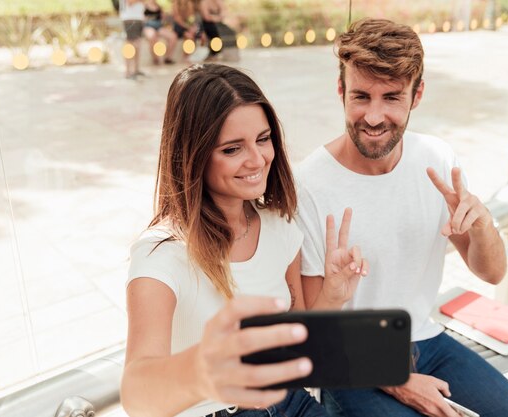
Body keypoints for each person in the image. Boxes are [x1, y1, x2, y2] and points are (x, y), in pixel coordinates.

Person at [295, 18, 508, 417]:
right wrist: (399, 382)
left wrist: (483, 225)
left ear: (417, 96)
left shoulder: (436, 161)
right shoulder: (308, 185)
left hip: (426, 340)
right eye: (361, 96)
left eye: (392, 98)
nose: (375, 117)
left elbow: (493, 274)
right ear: (341, 90)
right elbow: (313, 331)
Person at [121, 64, 366, 417]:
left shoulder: (279, 227)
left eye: (263, 139)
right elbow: (135, 394)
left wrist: (333, 295)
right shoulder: (161, 254)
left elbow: (299, 345)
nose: (257, 159)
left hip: (290, 403)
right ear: (193, 155)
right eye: (232, 149)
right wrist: (203, 373)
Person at [143, 0, 178, 65]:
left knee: (173, 36)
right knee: (152, 36)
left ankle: (168, 58)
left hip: (159, 27)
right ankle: (155, 59)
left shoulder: (159, 6)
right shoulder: (145, 5)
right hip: (148, 27)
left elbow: (164, 18)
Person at [119, 0, 146, 79]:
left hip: (137, 18)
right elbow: (129, 2)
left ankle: (136, 70)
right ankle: (128, 72)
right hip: (130, 19)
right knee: (129, 45)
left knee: (137, 44)